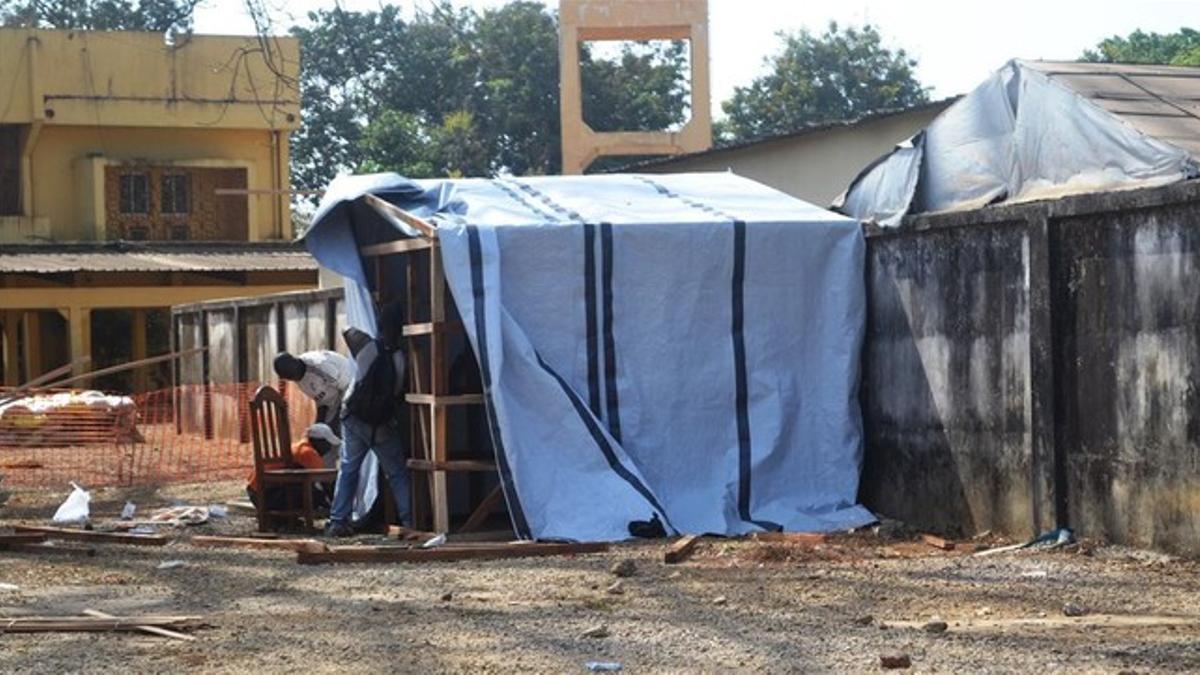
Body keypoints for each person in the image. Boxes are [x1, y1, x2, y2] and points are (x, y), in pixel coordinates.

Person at [324, 302, 410, 538]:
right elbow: (398, 392)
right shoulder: (401, 358)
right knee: (398, 474)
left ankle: (337, 521)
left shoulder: (367, 348)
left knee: (349, 469)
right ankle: (409, 521)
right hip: (381, 425)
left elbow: (347, 329)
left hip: (354, 420)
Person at [246, 423, 341, 510]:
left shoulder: (298, 446)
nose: (329, 448)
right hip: (266, 495)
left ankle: (283, 519)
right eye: (327, 444)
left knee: (309, 489)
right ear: (318, 441)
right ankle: (283, 516)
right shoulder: (308, 452)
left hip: (256, 493)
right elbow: (326, 483)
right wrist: (335, 508)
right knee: (316, 496)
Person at [273, 349, 354, 434]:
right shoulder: (298, 378)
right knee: (320, 436)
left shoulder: (320, 366)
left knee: (337, 433)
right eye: (289, 378)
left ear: (296, 363)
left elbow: (349, 388)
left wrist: (336, 420)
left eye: (291, 375)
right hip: (334, 403)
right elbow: (321, 400)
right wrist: (318, 424)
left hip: (352, 394)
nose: (292, 379)